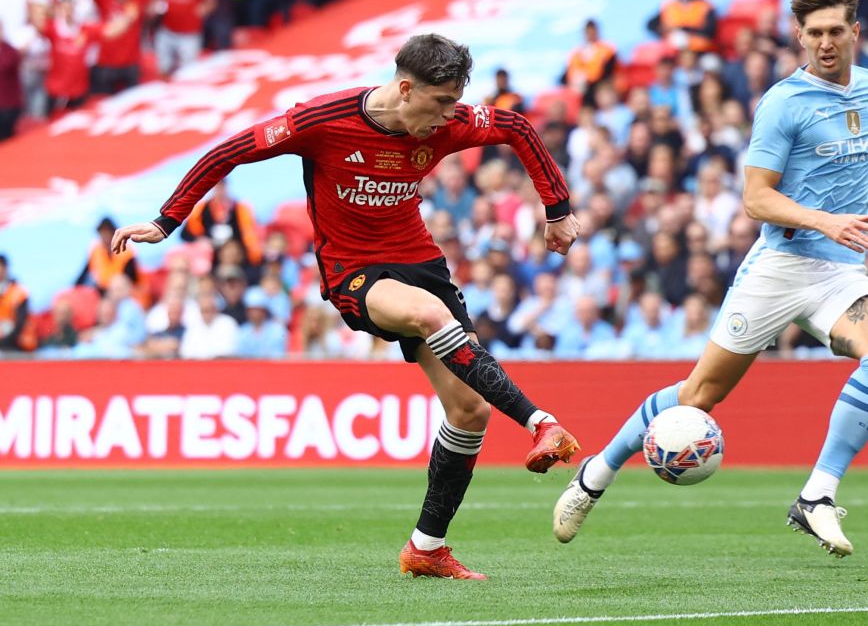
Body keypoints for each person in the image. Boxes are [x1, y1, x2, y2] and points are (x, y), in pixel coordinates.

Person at [112, 33, 582, 580]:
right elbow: (230, 151)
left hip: (421, 264)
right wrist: (166, 221)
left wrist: (558, 210)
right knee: (432, 315)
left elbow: (519, 127)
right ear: (405, 89)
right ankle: (540, 422)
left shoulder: (448, 123)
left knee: (469, 411)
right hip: (355, 272)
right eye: (438, 103)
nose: (447, 118)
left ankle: (426, 548)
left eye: (455, 103)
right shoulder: (322, 121)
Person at [554, 0, 868, 558]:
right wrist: (828, 221)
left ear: (855, 32)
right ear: (798, 36)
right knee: (699, 395)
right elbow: (756, 199)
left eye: (835, 31)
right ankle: (597, 473)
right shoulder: (782, 103)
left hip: (839, 271)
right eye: (814, 32)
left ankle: (817, 496)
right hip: (781, 264)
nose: (825, 42)